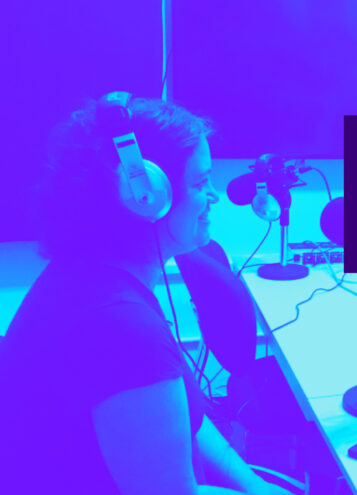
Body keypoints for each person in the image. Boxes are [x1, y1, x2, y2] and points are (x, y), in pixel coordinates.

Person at [0, 93, 292, 494]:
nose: (214, 196)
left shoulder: (90, 275)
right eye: (201, 182)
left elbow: (185, 419)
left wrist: (256, 486)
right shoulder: (121, 326)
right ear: (146, 198)